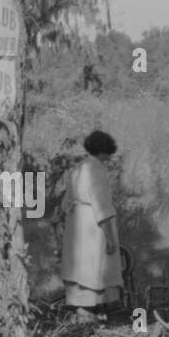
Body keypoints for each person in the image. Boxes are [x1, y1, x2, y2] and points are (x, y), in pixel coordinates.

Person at [53, 130, 121, 321]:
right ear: (104, 151)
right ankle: (89, 306)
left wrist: (64, 217)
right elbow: (101, 203)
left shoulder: (78, 168)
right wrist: (109, 236)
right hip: (92, 221)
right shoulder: (96, 170)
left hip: (77, 221)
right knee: (94, 262)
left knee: (81, 263)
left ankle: (88, 306)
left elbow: (67, 201)